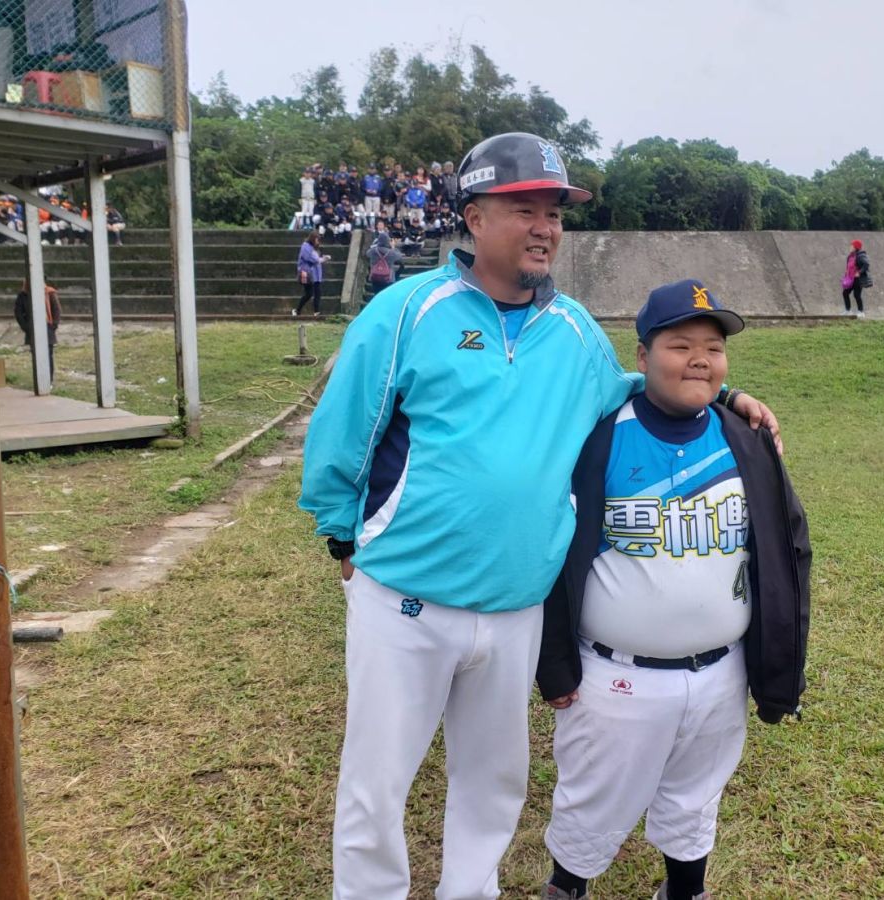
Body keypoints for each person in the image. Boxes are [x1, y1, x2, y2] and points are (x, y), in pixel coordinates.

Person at [299, 132, 780, 900]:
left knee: (493, 780)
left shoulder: (573, 329)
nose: (545, 227)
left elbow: (632, 386)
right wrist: (340, 536)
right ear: (474, 216)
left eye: (554, 212)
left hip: (518, 603)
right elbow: (343, 431)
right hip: (406, 598)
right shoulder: (408, 311)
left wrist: (720, 394)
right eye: (524, 209)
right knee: (377, 782)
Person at [536, 279, 811, 900]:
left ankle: (686, 890)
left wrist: (779, 668)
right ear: (641, 356)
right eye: (680, 346)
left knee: (696, 796)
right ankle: (568, 886)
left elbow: (787, 550)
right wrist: (553, 664)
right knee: (591, 799)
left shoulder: (746, 437)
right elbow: (553, 555)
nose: (699, 360)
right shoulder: (599, 437)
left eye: (714, 348)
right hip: (617, 677)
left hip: (720, 672)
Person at [14, 279, 62, 387]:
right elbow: (18, 313)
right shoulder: (23, 295)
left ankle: (49, 381)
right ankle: (39, 381)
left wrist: (53, 325)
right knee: (36, 356)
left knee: (48, 355)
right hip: (32, 329)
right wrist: (26, 327)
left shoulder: (49, 293)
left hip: (47, 328)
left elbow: (57, 310)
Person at [293, 231, 328, 317]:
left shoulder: (314, 248)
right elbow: (312, 259)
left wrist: (322, 259)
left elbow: (316, 259)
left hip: (316, 274)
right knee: (309, 293)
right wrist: (323, 259)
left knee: (317, 293)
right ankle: (297, 310)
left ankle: (316, 312)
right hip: (308, 273)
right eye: (317, 239)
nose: (318, 242)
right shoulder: (306, 247)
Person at [841, 238, 872, 318]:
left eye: (852, 246)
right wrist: (846, 273)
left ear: (856, 247)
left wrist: (859, 272)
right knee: (845, 293)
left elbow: (866, 264)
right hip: (850, 279)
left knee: (856, 295)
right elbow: (849, 266)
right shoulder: (850, 256)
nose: (850, 247)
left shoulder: (861, 255)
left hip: (858, 279)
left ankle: (861, 312)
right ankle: (848, 311)